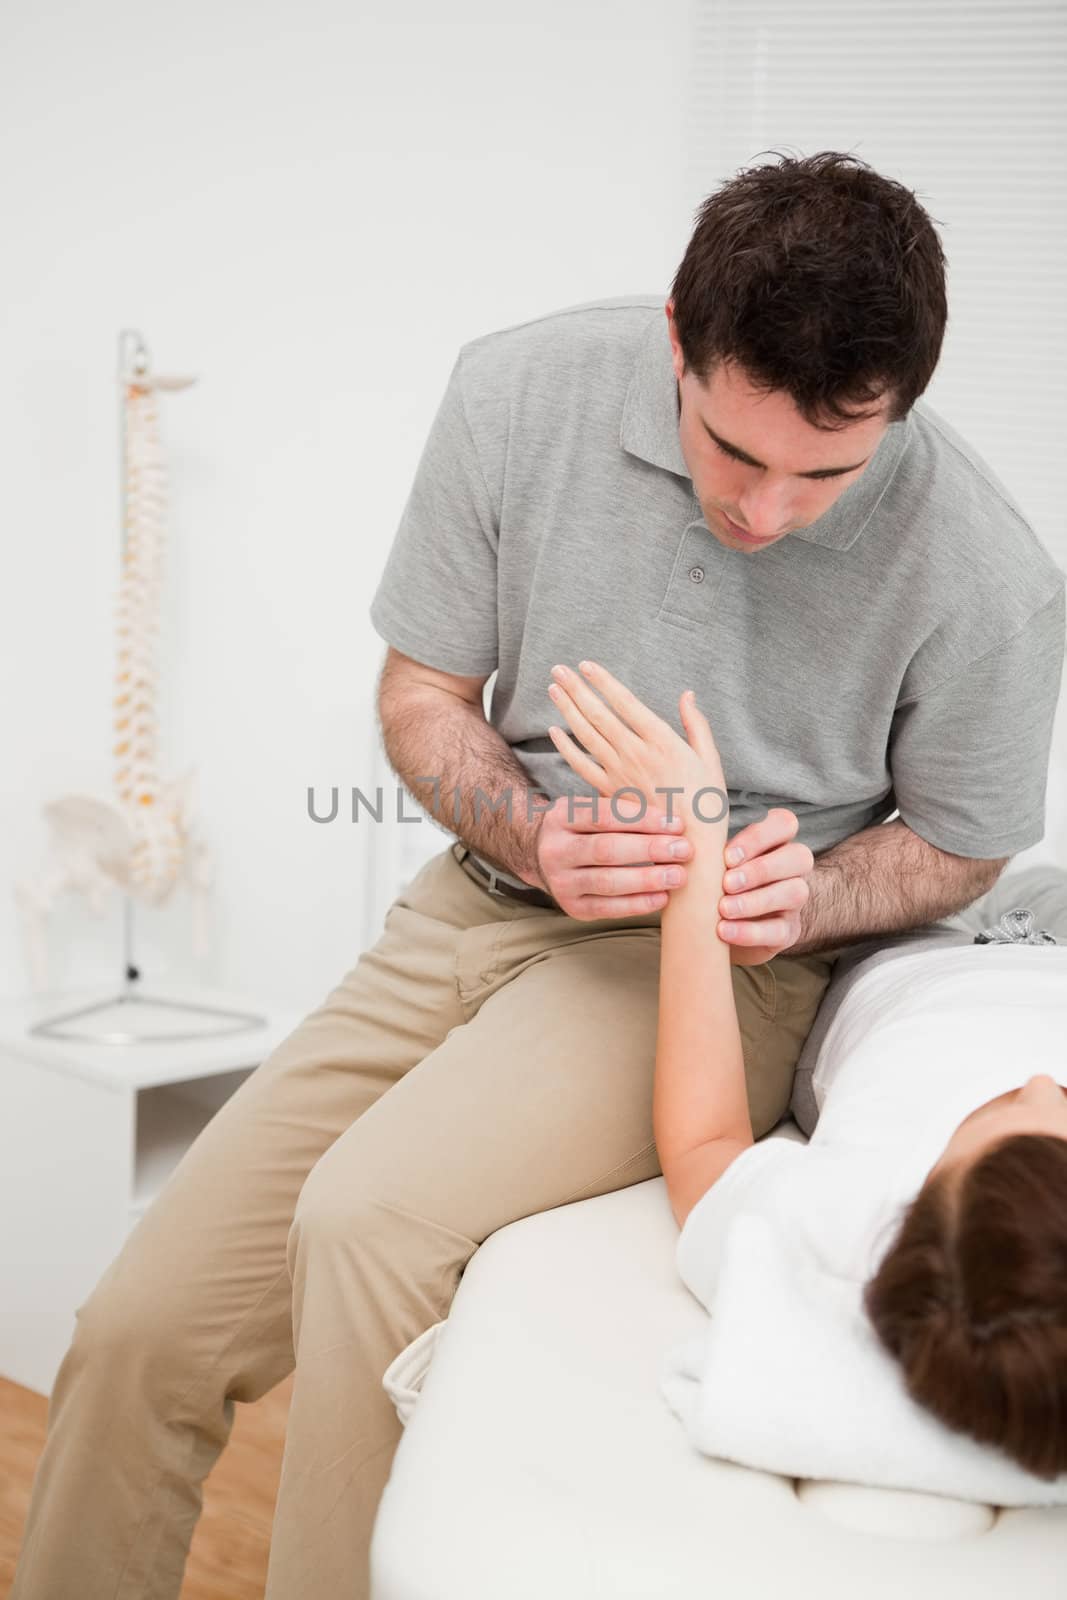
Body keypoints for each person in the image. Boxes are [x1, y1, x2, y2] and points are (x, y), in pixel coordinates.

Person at [12, 149, 1064, 1600]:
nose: (765, 510)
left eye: (825, 472)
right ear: (675, 344)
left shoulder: (986, 574)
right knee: (135, 1329)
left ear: (901, 408)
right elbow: (421, 697)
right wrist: (529, 832)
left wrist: (805, 898)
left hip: (711, 971)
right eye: (729, 451)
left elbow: (962, 844)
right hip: (470, 906)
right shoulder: (517, 393)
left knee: (364, 1221)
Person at [546, 655, 1067, 1482]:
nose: (1040, 1083)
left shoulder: (842, 1219)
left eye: (997, 1118)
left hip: (907, 950)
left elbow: (705, 1142)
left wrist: (696, 844)